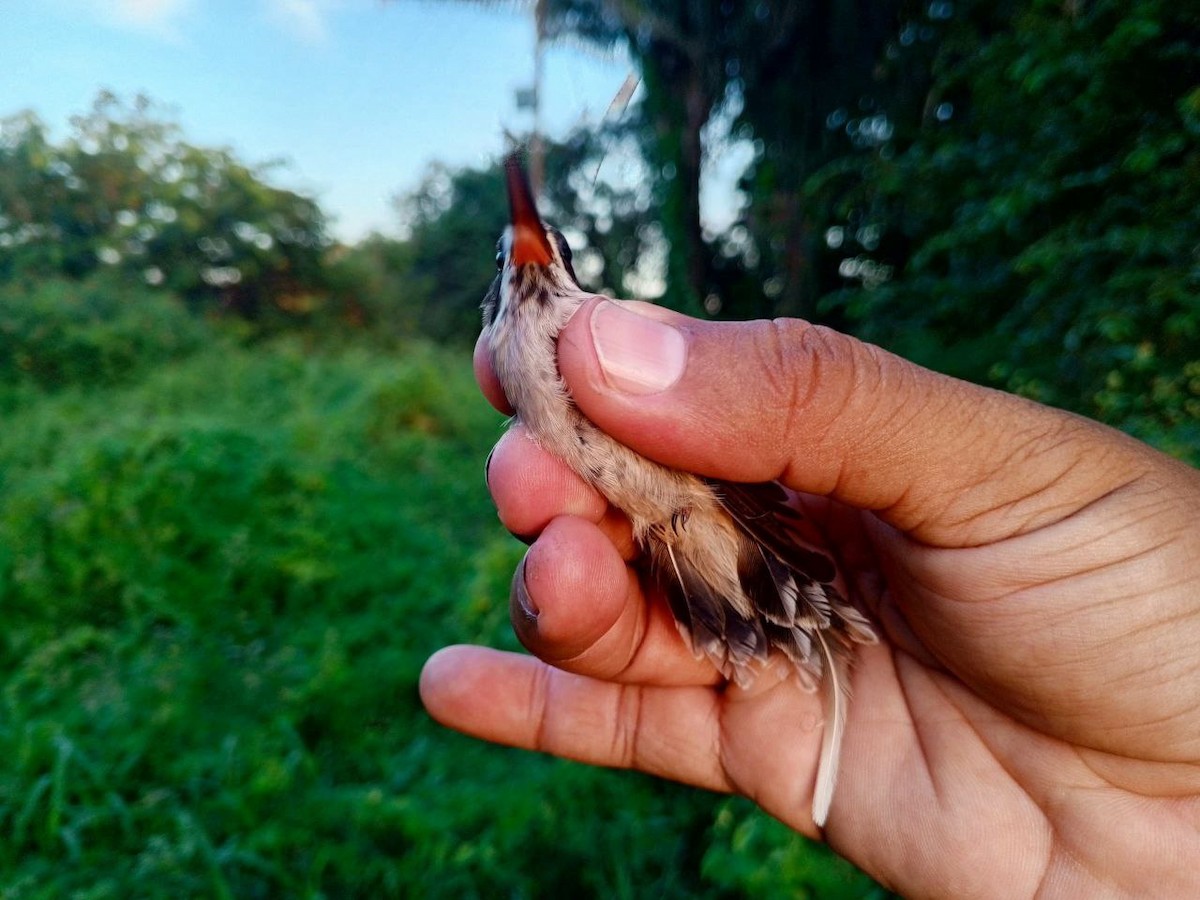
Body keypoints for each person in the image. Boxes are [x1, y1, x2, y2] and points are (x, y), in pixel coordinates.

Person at [420, 297, 1200, 896]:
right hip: (663, 525)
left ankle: (761, 597)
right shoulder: (520, 352)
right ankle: (755, 603)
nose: (530, 267)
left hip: (695, 510)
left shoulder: (594, 336)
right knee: (562, 539)